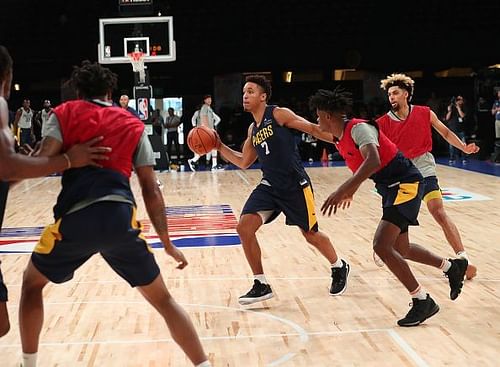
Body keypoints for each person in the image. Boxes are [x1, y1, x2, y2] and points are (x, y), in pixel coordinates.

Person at [17, 61, 210, 367]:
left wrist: (39, 164)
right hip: (120, 218)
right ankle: (203, 364)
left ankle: (28, 363)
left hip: (76, 218)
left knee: (31, 284)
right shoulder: (133, 124)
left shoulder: (64, 113)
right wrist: (167, 242)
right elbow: (151, 189)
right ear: (110, 92)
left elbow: (41, 160)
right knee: (163, 300)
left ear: (78, 93)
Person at [309, 87, 468, 327]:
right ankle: (451, 266)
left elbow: (373, 160)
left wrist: (344, 189)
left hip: (406, 183)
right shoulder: (339, 137)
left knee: (382, 245)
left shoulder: (359, 128)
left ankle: (421, 299)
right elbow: (310, 129)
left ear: (328, 115)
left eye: (318, 115)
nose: (316, 120)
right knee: (401, 248)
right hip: (390, 187)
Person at [0, 46, 110, 339]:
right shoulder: (0, 105)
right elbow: (8, 165)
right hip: (112, 216)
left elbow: (8, 171)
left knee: (3, 322)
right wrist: (68, 160)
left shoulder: (59, 114)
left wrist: (24, 169)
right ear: (7, 78)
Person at [215, 75, 350, 305]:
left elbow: (312, 129)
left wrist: (343, 139)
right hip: (270, 186)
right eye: (244, 92)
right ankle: (261, 283)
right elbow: (244, 161)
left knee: (310, 235)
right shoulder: (252, 129)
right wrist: (218, 145)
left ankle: (339, 266)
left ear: (263, 96)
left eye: (250, 92)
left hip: (294, 184)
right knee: (244, 227)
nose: (245, 96)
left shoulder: (278, 114)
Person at [376, 73, 479, 279]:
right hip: (401, 174)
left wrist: (463, 148)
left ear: (406, 94)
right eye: (389, 95)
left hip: (424, 168)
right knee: (397, 224)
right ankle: (384, 242)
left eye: (395, 93)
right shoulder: (382, 123)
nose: (391, 98)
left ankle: (462, 258)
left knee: (438, 211)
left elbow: (446, 132)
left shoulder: (424, 113)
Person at [188, 95, 224, 171]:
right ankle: (193, 161)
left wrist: (213, 126)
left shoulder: (209, 109)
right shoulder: (203, 108)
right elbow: (199, 119)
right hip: (204, 132)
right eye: (208, 99)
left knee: (213, 148)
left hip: (208, 131)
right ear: (204, 101)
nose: (210, 100)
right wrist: (196, 127)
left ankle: (214, 165)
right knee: (203, 150)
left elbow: (218, 119)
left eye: (210, 99)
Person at [445, 95, 468, 164]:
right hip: (452, 129)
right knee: (451, 145)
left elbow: (462, 116)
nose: (459, 101)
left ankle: (464, 158)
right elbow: (447, 118)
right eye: (458, 100)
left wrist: (458, 108)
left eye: (461, 100)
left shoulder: (464, 108)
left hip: (461, 130)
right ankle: (452, 158)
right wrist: (449, 111)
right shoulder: (451, 107)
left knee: (463, 144)